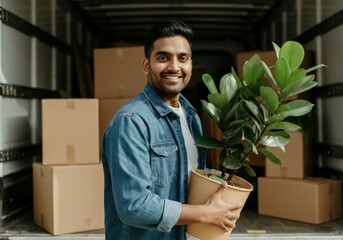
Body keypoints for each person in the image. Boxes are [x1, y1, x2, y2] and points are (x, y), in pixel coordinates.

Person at [101, 20, 243, 240]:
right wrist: (204, 215)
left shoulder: (191, 116)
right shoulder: (130, 121)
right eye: (163, 57)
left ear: (190, 64)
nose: (174, 67)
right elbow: (133, 206)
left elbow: (188, 176)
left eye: (182, 58)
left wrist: (225, 181)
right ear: (146, 65)